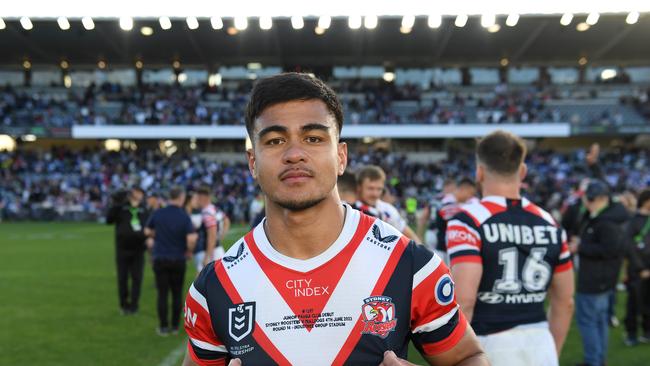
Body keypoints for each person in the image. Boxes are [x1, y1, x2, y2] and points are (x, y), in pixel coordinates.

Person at [182, 72, 487, 365]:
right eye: (275, 141)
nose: (294, 153)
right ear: (252, 162)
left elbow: (468, 357)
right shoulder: (216, 286)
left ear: (341, 157)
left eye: (313, 138)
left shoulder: (408, 266)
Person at [448, 130, 575, 366]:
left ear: (479, 172)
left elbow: (464, 300)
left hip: (488, 343)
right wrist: (550, 351)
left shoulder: (468, 221)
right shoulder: (550, 222)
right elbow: (565, 301)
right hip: (540, 342)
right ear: (522, 171)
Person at [571, 179, 629, 366]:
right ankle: (598, 359)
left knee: (589, 322)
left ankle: (593, 361)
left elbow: (608, 250)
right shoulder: (606, 217)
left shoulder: (605, 222)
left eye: (588, 199)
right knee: (599, 322)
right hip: (604, 280)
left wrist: (580, 247)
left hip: (594, 280)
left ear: (597, 199)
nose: (585, 203)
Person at [145, 186, 197, 336]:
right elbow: (191, 239)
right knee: (176, 293)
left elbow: (147, 231)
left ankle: (163, 326)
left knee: (162, 293)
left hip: (160, 257)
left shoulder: (158, 213)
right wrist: (189, 251)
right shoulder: (184, 216)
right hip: (178, 259)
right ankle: (174, 326)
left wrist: (159, 235)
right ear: (181, 198)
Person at [106, 186, 149, 315]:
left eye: (139, 193)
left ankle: (134, 305)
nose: (136, 195)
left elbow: (149, 226)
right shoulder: (121, 207)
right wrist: (117, 203)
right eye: (135, 192)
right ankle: (124, 305)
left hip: (138, 249)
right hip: (122, 249)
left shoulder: (144, 209)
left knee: (137, 278)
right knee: (122, 278)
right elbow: (109, 220)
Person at [357, 165, 422, 243]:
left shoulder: (387, 210)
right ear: (359, 187)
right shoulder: (348, 207)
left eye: (379, 189)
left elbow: (412, 238)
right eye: (370, 188)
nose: (375, 194)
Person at [623, 188, 650, 346]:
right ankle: (631, 333)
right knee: (633, 303)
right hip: (637, 270)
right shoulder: (633, 221)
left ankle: (647, 331)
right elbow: (629, 247)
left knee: (648, 302)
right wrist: (641, 269)